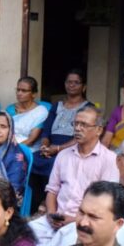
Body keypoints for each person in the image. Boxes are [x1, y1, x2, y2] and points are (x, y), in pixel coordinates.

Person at [28, 105, 118, 246]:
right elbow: (52, 190)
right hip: (55, 218)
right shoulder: (63, 155)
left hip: (83, 223)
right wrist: (51, 214)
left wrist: (74, 220)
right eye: (76, 123)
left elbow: (104, 204)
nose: (77, 128)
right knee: (22, 235)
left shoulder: (109, 160)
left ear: (99, 130)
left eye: (84, 125)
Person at [28, 69, 93, 215]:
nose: (72, 85)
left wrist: (58, 149)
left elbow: (82, 136)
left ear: (84, 86)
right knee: (31, 160)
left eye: (76, 82)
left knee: (55, 163)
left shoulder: (88, 108)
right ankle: (34, 202)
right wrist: (44, 145)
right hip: (51, 146)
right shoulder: (57, 105)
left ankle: (48, 202)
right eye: (69, 82)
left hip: (72, 147)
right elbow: (46, 130)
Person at [5, 76, 47, 148]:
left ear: (34, 94)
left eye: (24, 91)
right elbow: (4, 131)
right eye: (18, 90)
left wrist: (13, 149)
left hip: (27, 148)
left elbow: (31, 140)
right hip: (7, 144)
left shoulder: (40, 112)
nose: (19, 93)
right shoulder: (10, 109)